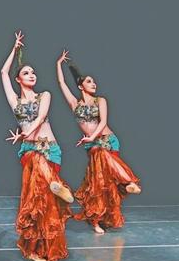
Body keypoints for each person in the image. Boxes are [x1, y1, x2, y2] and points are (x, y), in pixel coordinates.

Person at [1, 31, 74, 261]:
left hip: (50, 148)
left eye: (33, 72)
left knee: (45, 200)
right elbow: (3, 72)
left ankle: (44, 247)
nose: (31, 75)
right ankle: (33, 248)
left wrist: (25, 133)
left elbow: (41, 117)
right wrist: (14, 48)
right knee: (35, 199)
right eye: (26, 72)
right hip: (31, 151)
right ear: (18, 80)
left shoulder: (45, 95)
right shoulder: (15, 101)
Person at [55, 50, 141, 234]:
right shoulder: (75, 104)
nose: (93, 84)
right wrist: (58, 63)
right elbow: (61, 83)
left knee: (105, 176)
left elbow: (102, 122)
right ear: (80, 86)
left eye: (94, 81)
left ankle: (127, 182)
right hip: (92, 144)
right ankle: (96, 219)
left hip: (107, 141)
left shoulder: (100, 100)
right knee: (98, 183)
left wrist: (92, 137)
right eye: (89, 81)